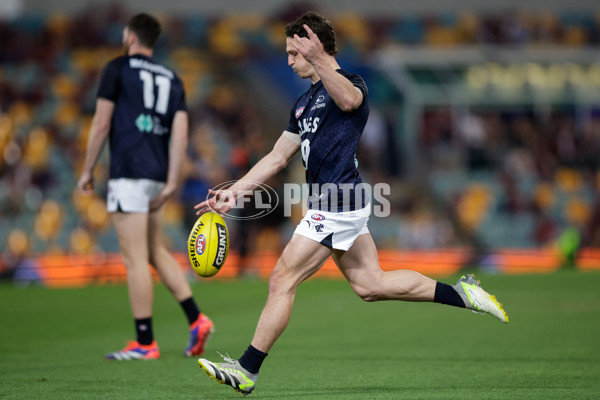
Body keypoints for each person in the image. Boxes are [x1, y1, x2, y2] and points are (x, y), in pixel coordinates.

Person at [194, 12, 509, 395]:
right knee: (370, 284)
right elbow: (277, 157)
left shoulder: (350, 84)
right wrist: (234, 190)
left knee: (282, 278)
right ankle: (463, 294)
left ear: (314, 47)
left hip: (338, 200)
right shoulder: (303, 103)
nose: (290, 61)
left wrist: (321, 59)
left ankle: (247, 368)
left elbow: (349, 99)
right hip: (337, 202)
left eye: (295, 53)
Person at [77, 13, 213, 360]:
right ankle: (196, 320)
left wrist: (88, 168)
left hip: (129, 173)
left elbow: (102, 120)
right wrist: (171, 181)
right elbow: (180, 134)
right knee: (154, 251)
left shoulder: (117, 68)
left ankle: (144, 342)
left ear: (129, 36)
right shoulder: (173, 78)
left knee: (134, 259)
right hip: (155, 175)